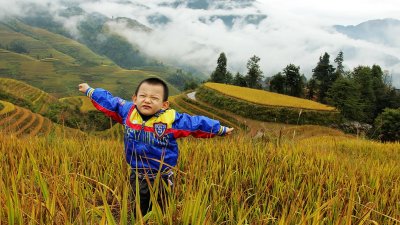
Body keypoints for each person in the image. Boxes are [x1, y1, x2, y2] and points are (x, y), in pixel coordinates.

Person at [78, 77, 233, 216]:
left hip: (162, 177)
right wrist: (90, 91)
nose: (147, 100)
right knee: (138, 208)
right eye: (143, 96)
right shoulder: (128, 112)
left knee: (162, 210)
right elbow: (110, 102)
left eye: (154, 98)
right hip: (137, 173)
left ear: (164, 104)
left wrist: (220, 129)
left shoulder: (171, 120)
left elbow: (196, 123)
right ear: (135, 98)